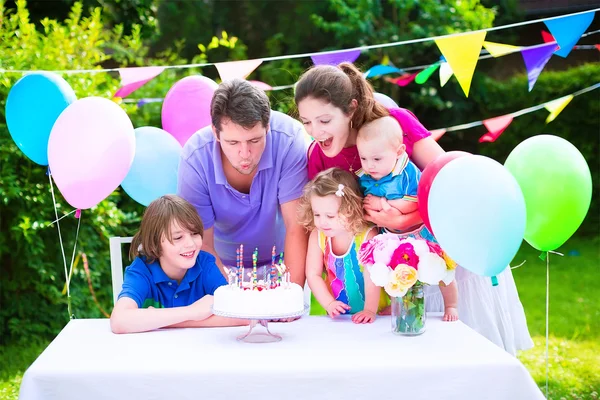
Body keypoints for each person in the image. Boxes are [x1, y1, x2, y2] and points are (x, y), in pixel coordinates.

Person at [295, 62, 533, 354]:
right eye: (306, 122)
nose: (315, 131)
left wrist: (406, 214)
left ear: (351, 109)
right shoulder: (319, 158)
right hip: (393, 263)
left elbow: (449, 186)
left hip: (436, 243)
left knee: (458, 340)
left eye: (324, 120)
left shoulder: (395, 125)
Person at [178, 79, 309, 289]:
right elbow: (201, 243)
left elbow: (297, 226)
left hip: (286, 263)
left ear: (268, 127)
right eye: (233, 143)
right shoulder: (195, 157)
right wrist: (230, 297)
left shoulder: (290, 139)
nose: (245, 154)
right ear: (215, 132)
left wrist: (290, 295)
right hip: (220, 265)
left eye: (254, 140)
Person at [356, 117, 458, 322]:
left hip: (420, 232)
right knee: (397, 271)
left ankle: (451, 304)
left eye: (376, 159)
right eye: (364, 158)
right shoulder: (365, 176)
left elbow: (415, 203)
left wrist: (382, 203)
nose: (369, 165)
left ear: (399, 151)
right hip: (392, 236)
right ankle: (398, 305)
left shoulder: (407, 172)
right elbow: (365, 205)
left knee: (440, 267)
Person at [110, 195, 248, 334]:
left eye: (194, 233)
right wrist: (192, 312)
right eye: (178, 237)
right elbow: (119, 321)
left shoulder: (205, 264)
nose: (191, 244)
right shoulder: (142, 270)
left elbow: (241, 314)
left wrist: (162, 322)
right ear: (154, 244)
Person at [298, 168, 380, 324]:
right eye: (317, 214)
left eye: (330, 216)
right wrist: (329, 303)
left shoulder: (367, 236)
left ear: (349, 210)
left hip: (370, 310)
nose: (322, 222)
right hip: (331, 312)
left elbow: (372, 277)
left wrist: (370, 309)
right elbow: (312, 274)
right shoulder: (318, 235)